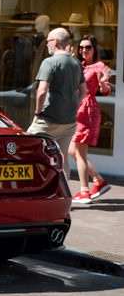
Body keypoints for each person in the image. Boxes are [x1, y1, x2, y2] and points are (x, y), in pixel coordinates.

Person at [27, 27, 87, 180]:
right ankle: (64, 196)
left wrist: (37, 113)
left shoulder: (49, 62)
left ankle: (29, 189)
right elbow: (83, 90)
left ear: (55, 42)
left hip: (49, 119)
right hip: (69, 121)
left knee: (25, 146)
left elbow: (41, 91)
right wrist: (73, 106)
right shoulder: (76, 63)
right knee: (63, 157)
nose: (46, 45)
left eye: (47, 41)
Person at [68, 35, 112, 203]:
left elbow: (107, 91)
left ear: (94, 50)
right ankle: (99, 181)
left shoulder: (98, 65)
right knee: (73, 151)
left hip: (88, 109)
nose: (84, 50)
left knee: (79, 152)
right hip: (78, 108)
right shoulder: (81, 65)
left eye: (87, 47)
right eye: (81, 48)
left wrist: (102, 83)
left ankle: (85, 192)